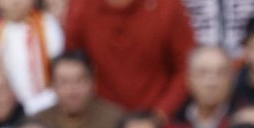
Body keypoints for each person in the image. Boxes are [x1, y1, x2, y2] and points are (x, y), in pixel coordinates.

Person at [64, 0, 195, 120]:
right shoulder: (80, 7)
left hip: (161, 123)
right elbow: (71, 66)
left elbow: (187, 66)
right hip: (99, 122)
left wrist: (161, 113)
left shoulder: (167, 6)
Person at [0, 0, 65, 115]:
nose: (14, 2)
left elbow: (59, 73)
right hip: (8, 113)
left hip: (48, 107)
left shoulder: (49, 26)